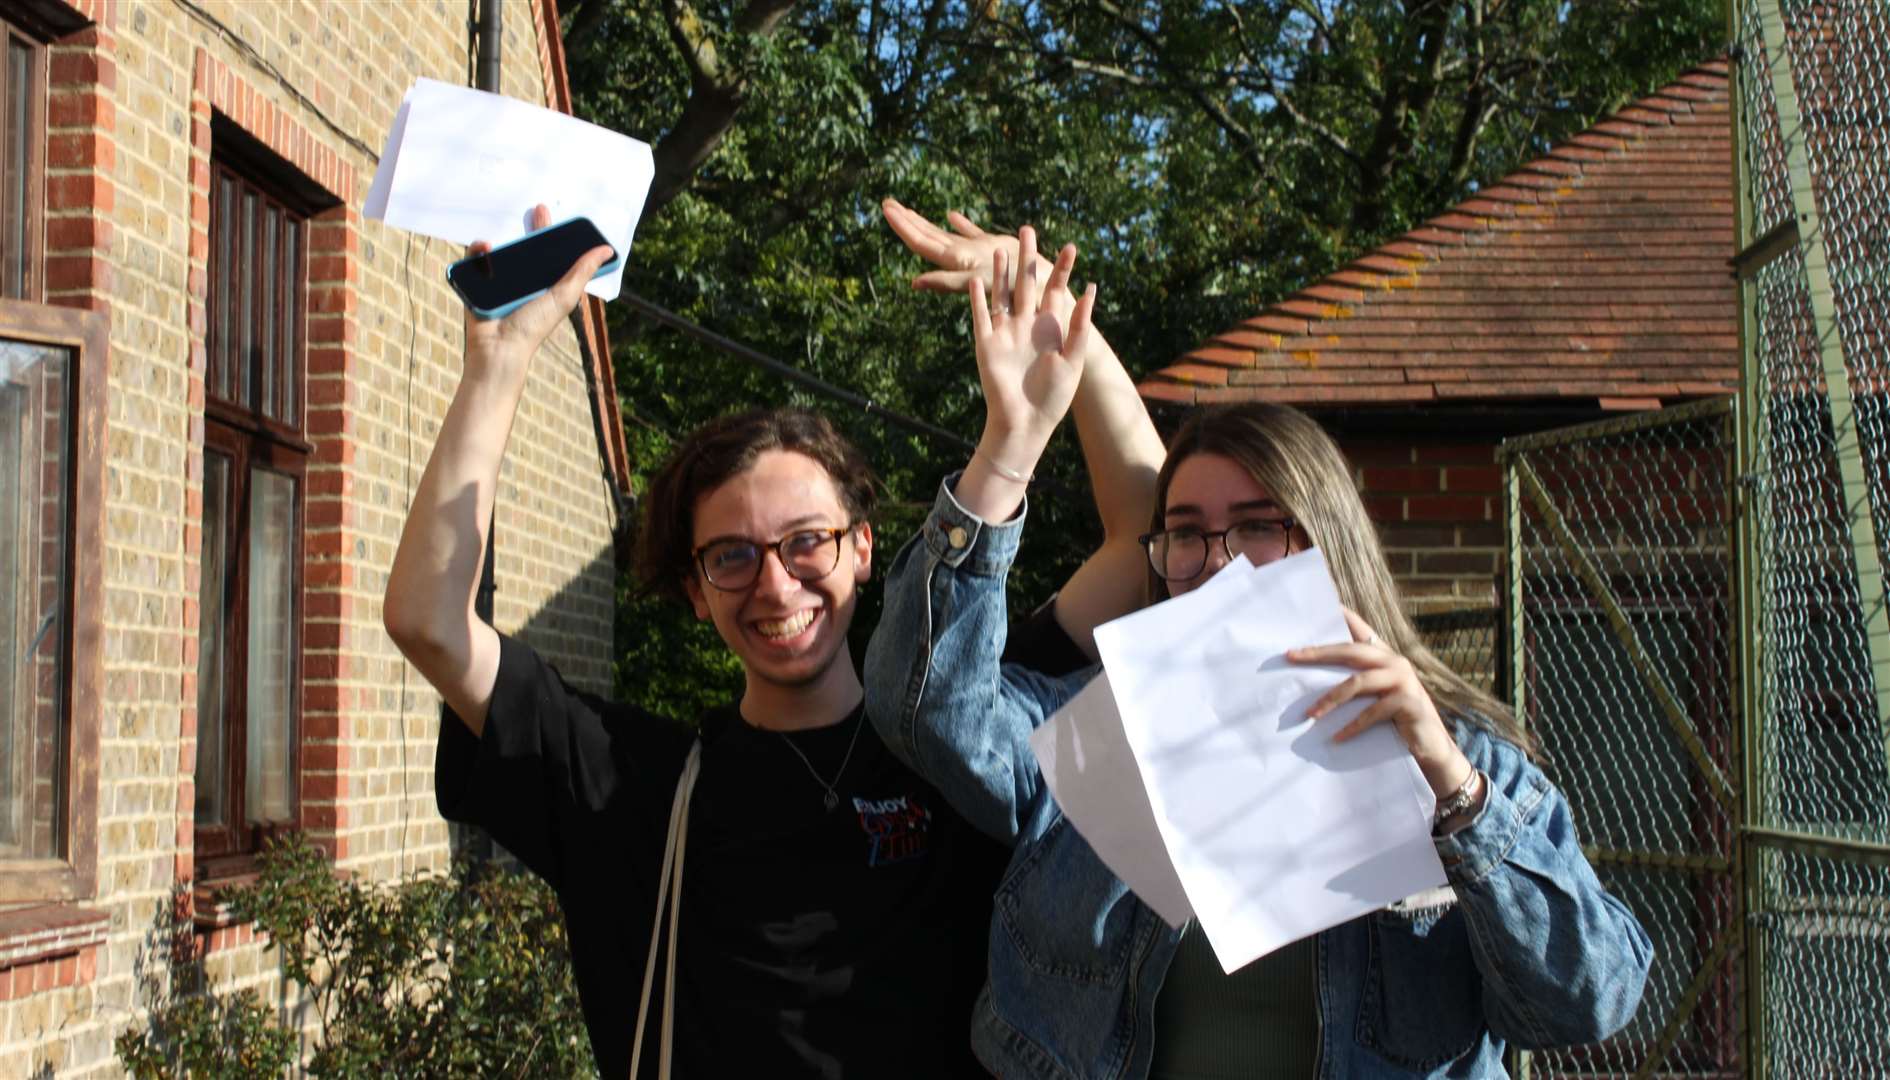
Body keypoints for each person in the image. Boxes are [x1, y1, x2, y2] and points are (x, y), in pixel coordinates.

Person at [864, 207, 1655, 1079]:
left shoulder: (1468, 763)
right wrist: (1008, 449)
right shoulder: (1105, 735)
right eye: (1187, 532)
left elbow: (1589, 1000)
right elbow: (926, 703)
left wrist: (1451, 788)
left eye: (1256, 527)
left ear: (1325, 540)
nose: (1215, 561)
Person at [383, 206, 1162, 1078]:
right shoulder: (632, 786)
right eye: (732, 556)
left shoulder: (972, 728)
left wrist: (1070, 339)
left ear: (863, 549)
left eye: (806, 542)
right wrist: (498, 365)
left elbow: (1146, 543)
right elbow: (429, 622)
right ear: (694, 589)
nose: (776, 583)